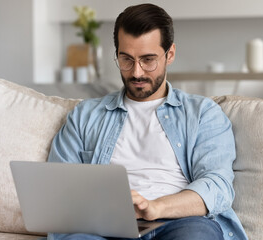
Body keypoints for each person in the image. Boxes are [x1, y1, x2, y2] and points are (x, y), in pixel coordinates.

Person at [47, 3, 247, 240]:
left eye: (148, 59)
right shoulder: (85, 115)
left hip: (180, 223)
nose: (136, 72)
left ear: (169, 54)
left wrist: (156, 207)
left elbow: (218, 186)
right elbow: (58, 189)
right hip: (106, 228)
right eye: (126, 59)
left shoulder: (203, 113)